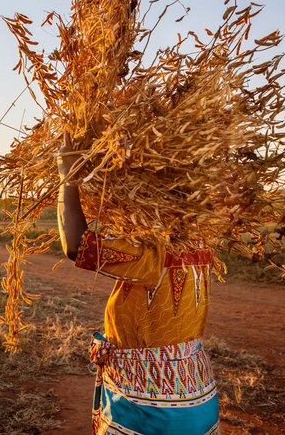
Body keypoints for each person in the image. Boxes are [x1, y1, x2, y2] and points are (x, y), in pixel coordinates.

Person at [57, 139, 220, 435]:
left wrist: (68, 175)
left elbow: (76, 245)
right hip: (196, 395)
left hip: (150, 407)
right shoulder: (201, 245)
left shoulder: (154, 253)